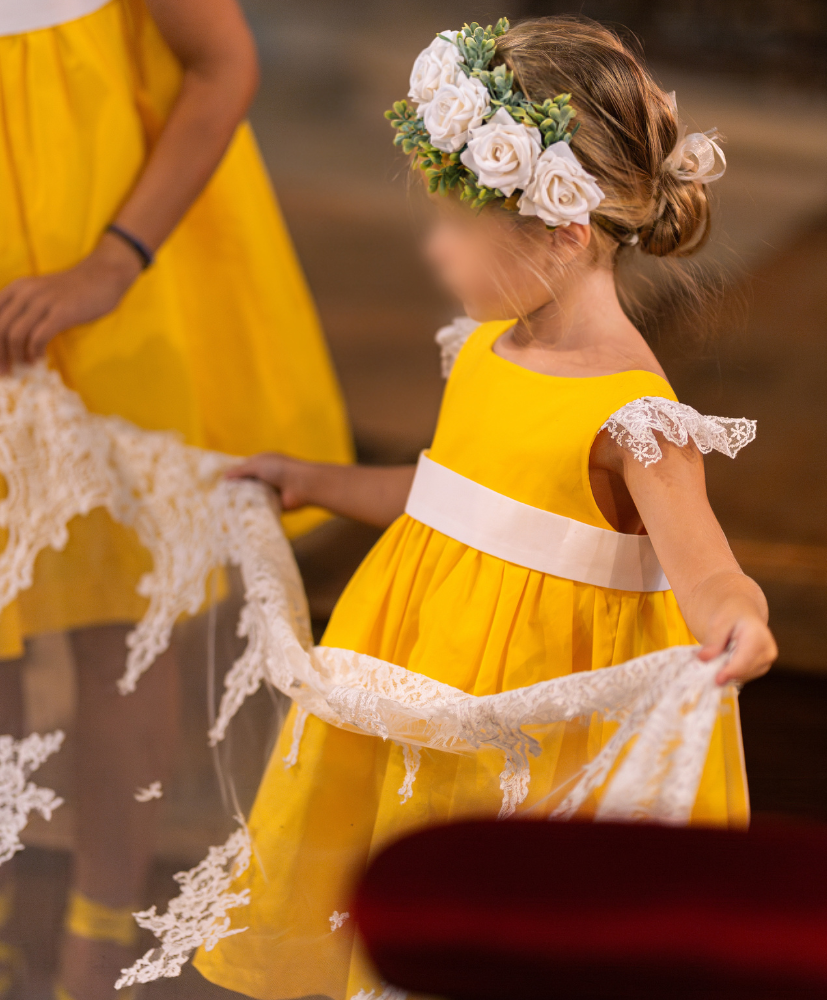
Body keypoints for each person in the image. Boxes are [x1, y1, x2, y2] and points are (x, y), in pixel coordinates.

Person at [195, 16, 777, 1000]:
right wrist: (317, 480)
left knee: (501, 936)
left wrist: (738, 620)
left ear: (563, 231)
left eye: (458, 226)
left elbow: (708, 568)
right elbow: (451, 503)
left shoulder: (634, 418)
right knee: (411, 913)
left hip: (530, 721)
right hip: (427, 677)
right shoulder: (482, 345)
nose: (435, 248)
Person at [0, 2, 354, 999]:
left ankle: (96, 936)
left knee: (123, 619)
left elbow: (221, 62)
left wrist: (114, 258)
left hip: (98, 282)